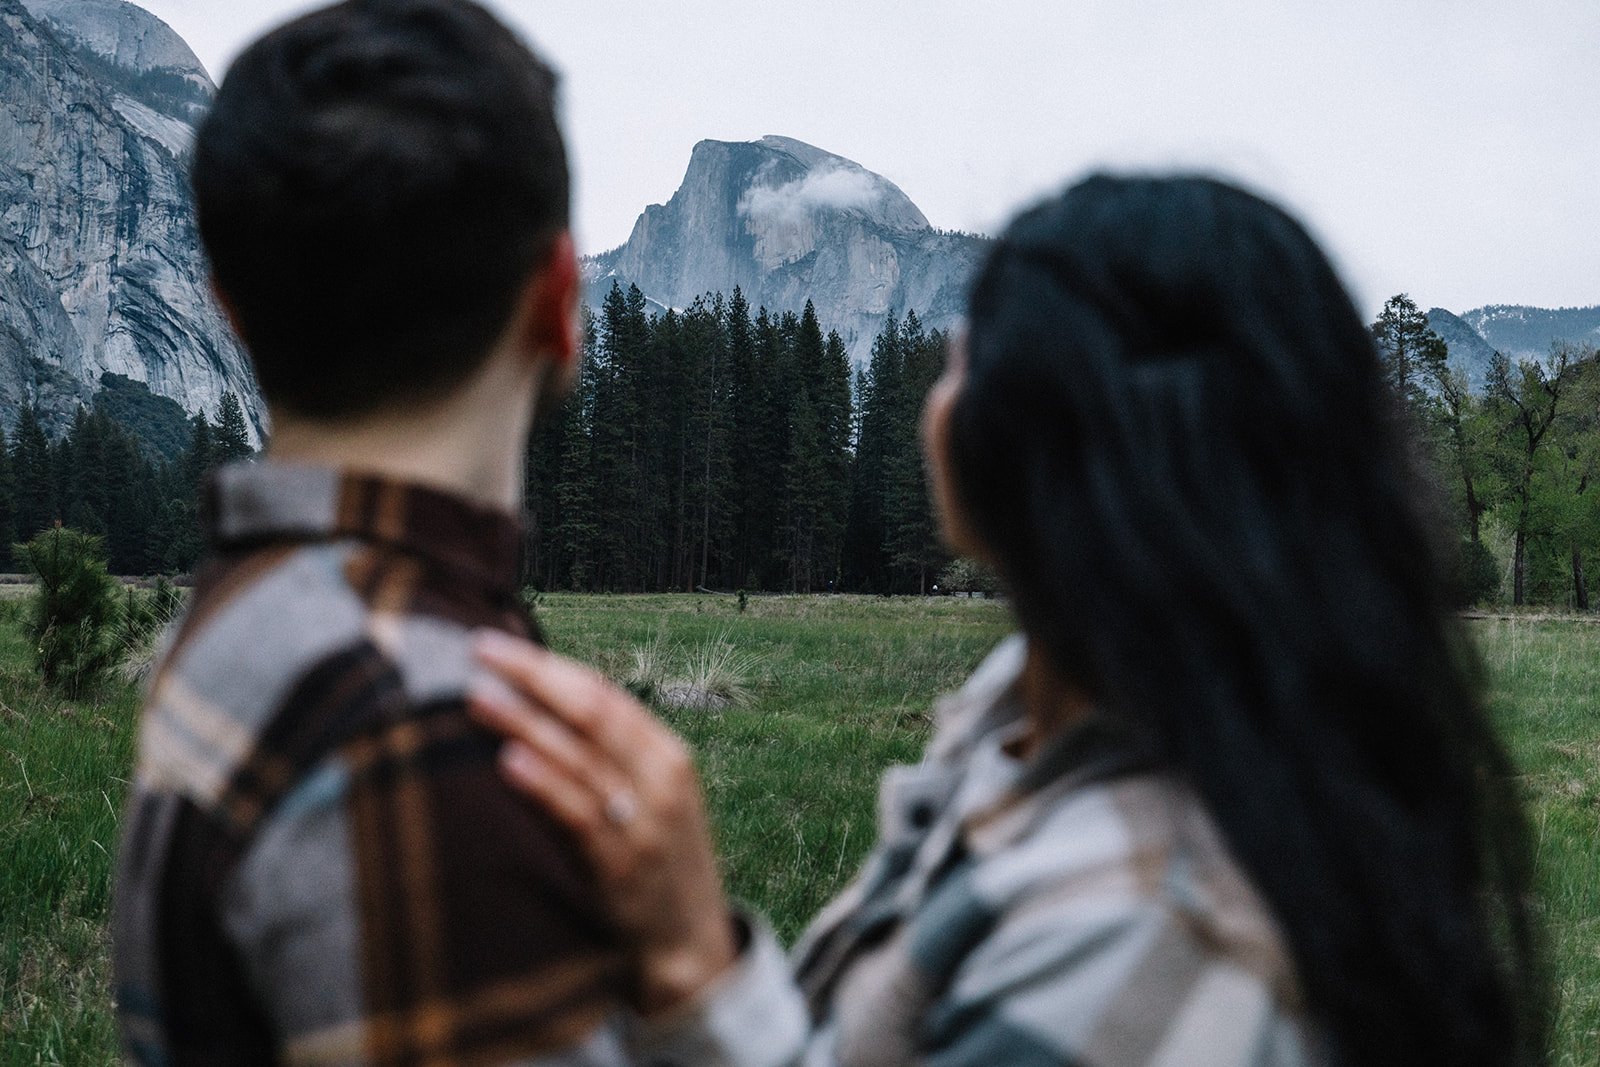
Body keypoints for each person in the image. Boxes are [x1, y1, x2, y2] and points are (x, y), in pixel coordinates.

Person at [469, 176, 1547, 1065]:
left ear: (1043, 445)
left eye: (967, 354)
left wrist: (687, 961)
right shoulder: (1046, 724)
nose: (940, 378)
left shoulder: (1139, 949)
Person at [110, 2, 739, 1063]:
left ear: (228, 307)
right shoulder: (432, 737)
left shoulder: (229, 619)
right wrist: (706, 986)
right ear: (557, 301)